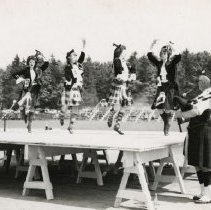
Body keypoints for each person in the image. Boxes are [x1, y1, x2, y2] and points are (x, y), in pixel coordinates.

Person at [176, 75, 211, 203]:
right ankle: (203, 192)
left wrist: (178, 114)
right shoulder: (201, 95)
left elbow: (196, 112)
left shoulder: (209, 94)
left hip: (204, 131)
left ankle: (208, 194)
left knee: (205, 164)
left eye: (199, 81)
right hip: (195, 131)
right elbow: (190, 108)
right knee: (197, 163)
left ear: (204, 82)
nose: (198, 84)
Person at [147, 39, 181, 135]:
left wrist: (172, 46)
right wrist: (152, 45)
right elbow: (150, 55)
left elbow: (178, 56)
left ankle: (167, 124)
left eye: (165, 53)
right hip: (161, 87)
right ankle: (167, 121)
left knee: (168, 108)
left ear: (168, 54)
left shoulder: (172, 63)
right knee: (159, 108)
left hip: (169, 87)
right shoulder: (159, 63)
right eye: (161, 53)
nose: (163, 54)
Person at [11, 51, 49, 132]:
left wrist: (42, 55)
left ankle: (29, 125)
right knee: (21, 105)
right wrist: (22, 79)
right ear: (28, 63)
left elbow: (46, 64)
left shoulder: (38, 70)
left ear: (35, 63)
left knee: (32, 108)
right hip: (26, 90)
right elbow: (14, 74)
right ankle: (19, 112)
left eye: (33, 62)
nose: (32, 63)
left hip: (34, 90)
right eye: (30, 62)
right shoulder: (25, 69)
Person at [107, 43, 136, 135]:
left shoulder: (126, 63)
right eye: (124, 53)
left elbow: (133, 71)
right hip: (119, 86)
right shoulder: (117, 61)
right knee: (116, 106)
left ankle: (117, 124)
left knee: (124, 106)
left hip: (125, 86)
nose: (126, 55)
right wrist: (125, 78)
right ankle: (111, 116)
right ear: (120, 53)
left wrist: (132, 76)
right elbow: (118, 74)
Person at [60, 39, 86, 133]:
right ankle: (62, 116)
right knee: (64, 108)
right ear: (69, 58)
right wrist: (71, 80)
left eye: (76, 55)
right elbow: (67, 77)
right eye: (73, 55)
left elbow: (82, 57)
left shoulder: (78, 65)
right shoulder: (68, 67)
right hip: (69, 89)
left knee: (75, 110)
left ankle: (71, 126)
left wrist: (83, 47)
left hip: (76, 90)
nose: (75, 56)